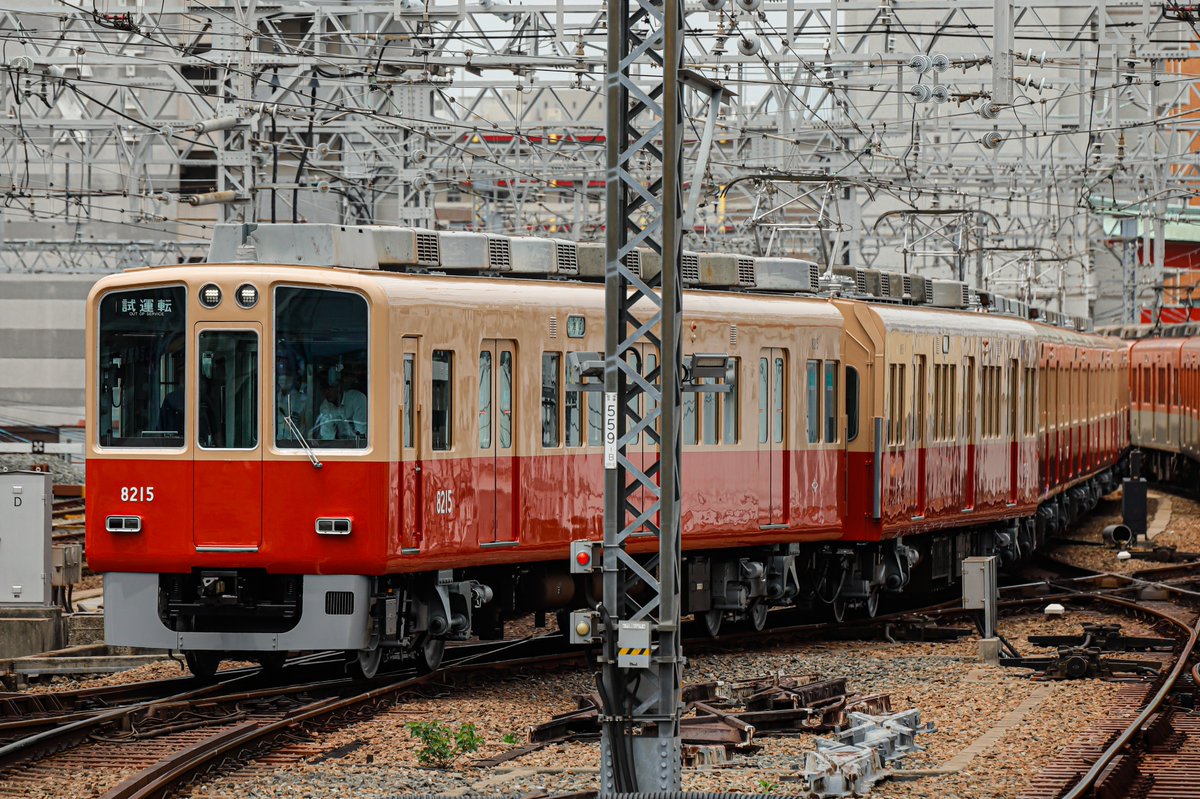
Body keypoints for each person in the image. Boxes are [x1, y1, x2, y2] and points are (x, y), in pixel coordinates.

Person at [316, 374, 367, 442]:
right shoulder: (325, 406)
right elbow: (327, 436)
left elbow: (361, 433)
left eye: (329, 388)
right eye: (323, 389)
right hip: (341, 446)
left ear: (338, 387)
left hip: (362, 447)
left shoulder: (357, 398)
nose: (326, 392)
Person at [276, 356, 310, 442]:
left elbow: (297, 426)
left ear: (293, 378)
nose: (282, 379)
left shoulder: (301, 400)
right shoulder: (274, 398)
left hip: (295, 445)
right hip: (278, 442)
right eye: (280, 375)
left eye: (286, 375)